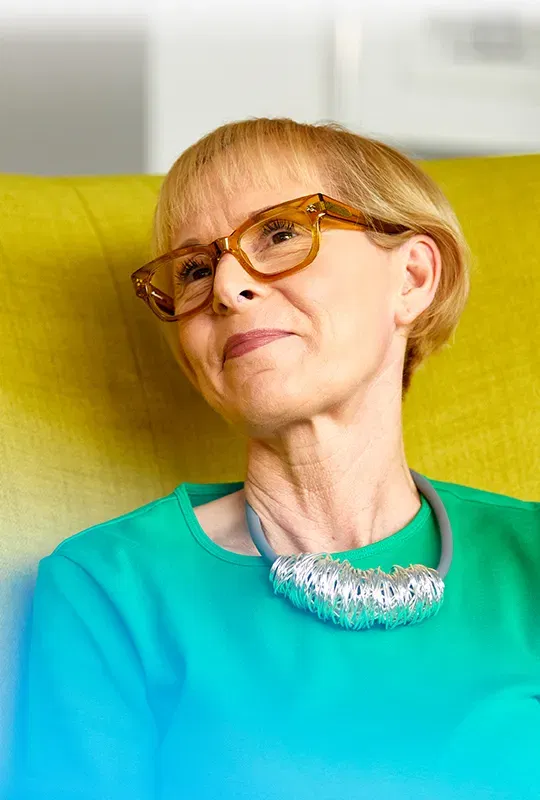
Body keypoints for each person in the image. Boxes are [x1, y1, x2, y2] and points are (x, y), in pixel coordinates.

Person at [13, 117, 540, 800]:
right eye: (195, 270)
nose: (228, 287)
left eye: (282, 233)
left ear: (411, 277)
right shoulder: (107, 588)